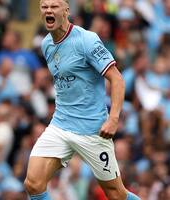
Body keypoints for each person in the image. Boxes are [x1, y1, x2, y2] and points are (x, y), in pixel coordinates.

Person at [24, 1, 141, 200]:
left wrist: (113, 119)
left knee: (116, 194)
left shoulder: (87, 40)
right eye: (44, 7)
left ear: (66, 10)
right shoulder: (46, 44)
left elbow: (117, 79)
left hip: (92, 131)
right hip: (60, 126)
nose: (49, 11)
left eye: (54, 6)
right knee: (33, 183)